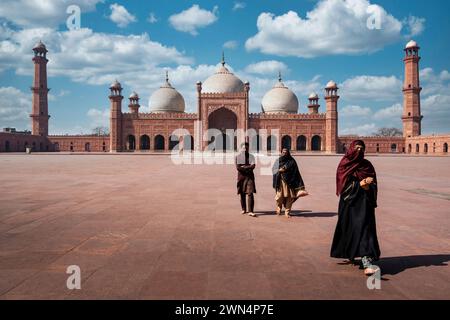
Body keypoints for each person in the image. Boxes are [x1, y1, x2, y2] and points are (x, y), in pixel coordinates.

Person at [330, 140, 381, 276]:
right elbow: (343, 187)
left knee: (366, 231)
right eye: (356, 148)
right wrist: (361, 184)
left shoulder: (367, 165)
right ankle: (350, 253)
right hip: (349, 205)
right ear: (351, 148)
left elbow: (374, 184)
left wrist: (370, 185)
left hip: (365, 205)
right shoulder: (344, 164)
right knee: (349, 229)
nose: (359, 151)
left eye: (362, 148)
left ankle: (367, 261)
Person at [272, 148, 308, 218]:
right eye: (283, 152)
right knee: (279, 197)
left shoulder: (292, 161)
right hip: (280, 182)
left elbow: (295, 172)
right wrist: (279, 170)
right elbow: (273, 169)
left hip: (290, 182)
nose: (284, 153)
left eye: (286, 152)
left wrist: (286, 170)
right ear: (281, 152)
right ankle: (279, 207)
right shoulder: (278, 160)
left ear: (288, 153)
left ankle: (287, 212)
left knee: (290, 197)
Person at [236, 142, 256, 217]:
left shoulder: (251, 156)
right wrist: (248, 167)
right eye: (244, 148)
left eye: (246, 148)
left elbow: (253, 166)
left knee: (250, 193)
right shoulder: (238, 157)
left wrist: (244, 167)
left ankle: (250, 211)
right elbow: (238, 168)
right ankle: (244, 209)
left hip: (250, 177)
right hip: (241, 177)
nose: (245, 149)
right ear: (241, 148)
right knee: (242, 193)